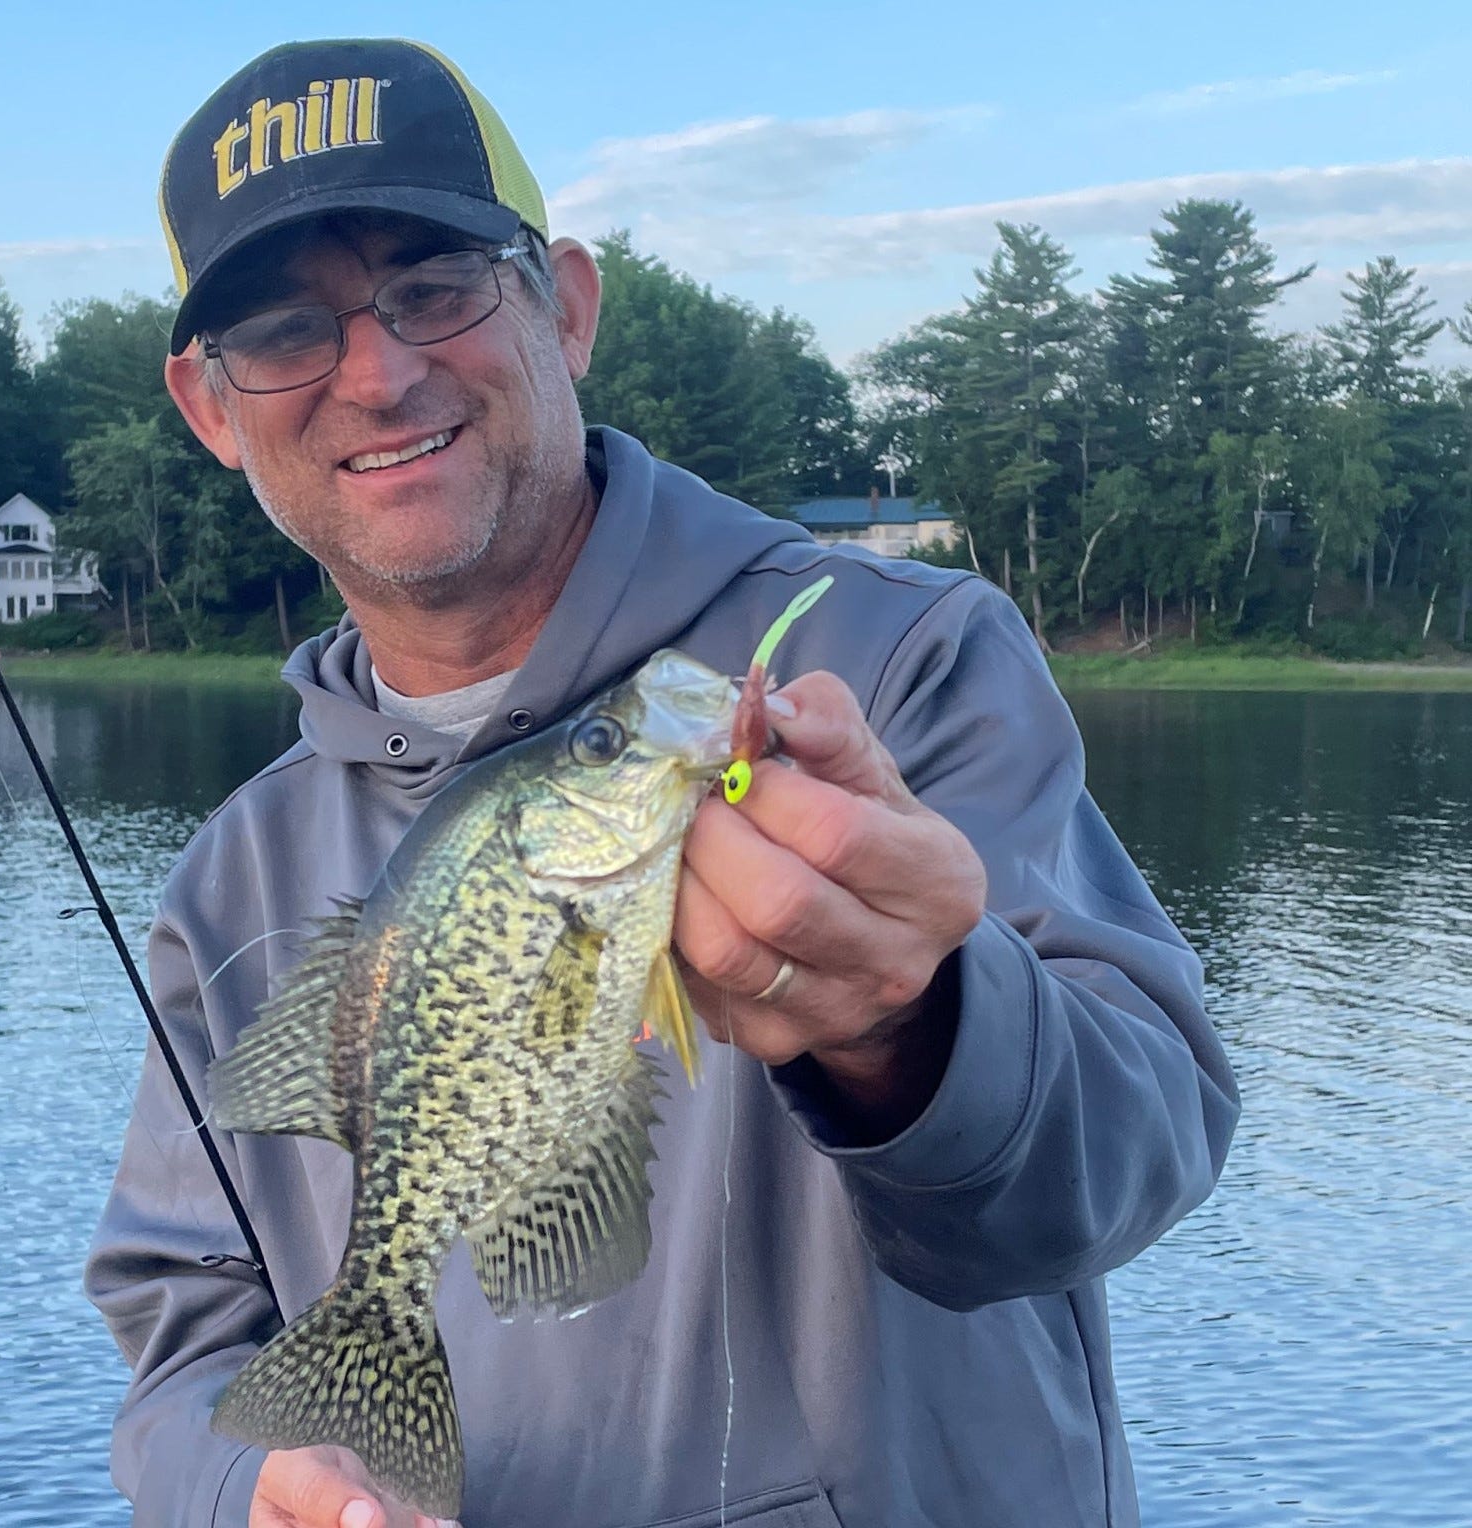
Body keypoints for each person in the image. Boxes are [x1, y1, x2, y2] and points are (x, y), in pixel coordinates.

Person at [87, 38, 1238, 1528]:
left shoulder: (886, 662)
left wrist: (917, 1026)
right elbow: (181, 1331)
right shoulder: (234, 874)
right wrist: (242, 1486)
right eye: (284, 332)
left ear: (562, 306)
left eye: (434, 288)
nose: (375, 374)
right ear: (210, 405)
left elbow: (1130, 1160)